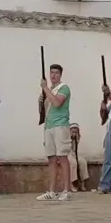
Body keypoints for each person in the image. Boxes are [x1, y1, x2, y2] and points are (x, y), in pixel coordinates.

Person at [39, 64, 73, 201]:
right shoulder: (49, 91)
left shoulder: (64, 88)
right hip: (49, 126)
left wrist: (45, 88)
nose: (53, 75)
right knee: (51, 158)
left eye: (56, 73)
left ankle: (67, 190)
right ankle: (51, 191)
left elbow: (57, 103)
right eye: (51, 72)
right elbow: (44, 112)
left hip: (60, 125)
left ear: (60, 74)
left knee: (62, 157)